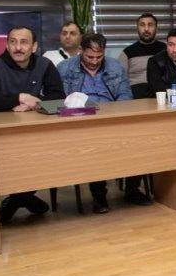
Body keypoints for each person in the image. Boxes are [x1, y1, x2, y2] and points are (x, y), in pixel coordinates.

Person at [0, 26, 66, 224]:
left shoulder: (45, 65)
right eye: (13, 42)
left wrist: (33, 104)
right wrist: (20, 97)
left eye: (24, 42)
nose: (18, 47)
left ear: (34, 47)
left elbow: (59, 98)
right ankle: (24, 199)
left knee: (50, 155)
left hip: (37, 131)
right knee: (17, 159)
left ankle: (17, 200)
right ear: (7, 45)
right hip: (3, 134)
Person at [59, 32, 149, 212]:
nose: (94, 61)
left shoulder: (115, 66)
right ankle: (99, 196)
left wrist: (115, 114)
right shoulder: (64, 68)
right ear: (80, 50)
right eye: (89, 57)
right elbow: (59, 99)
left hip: (112, 118)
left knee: (139, 140)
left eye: (99, 57)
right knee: (94, 146)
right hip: (81, 122)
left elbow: (125, 95)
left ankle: (132, 190)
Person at [118, 12, 166, 98]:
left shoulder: (165, 50)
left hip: (161, 96)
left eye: (150, 25)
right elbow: (120, 81)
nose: (146, 29)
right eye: (142, 25)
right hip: (136, 97)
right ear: (137, 28)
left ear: (156, 28)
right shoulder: (127, 52)